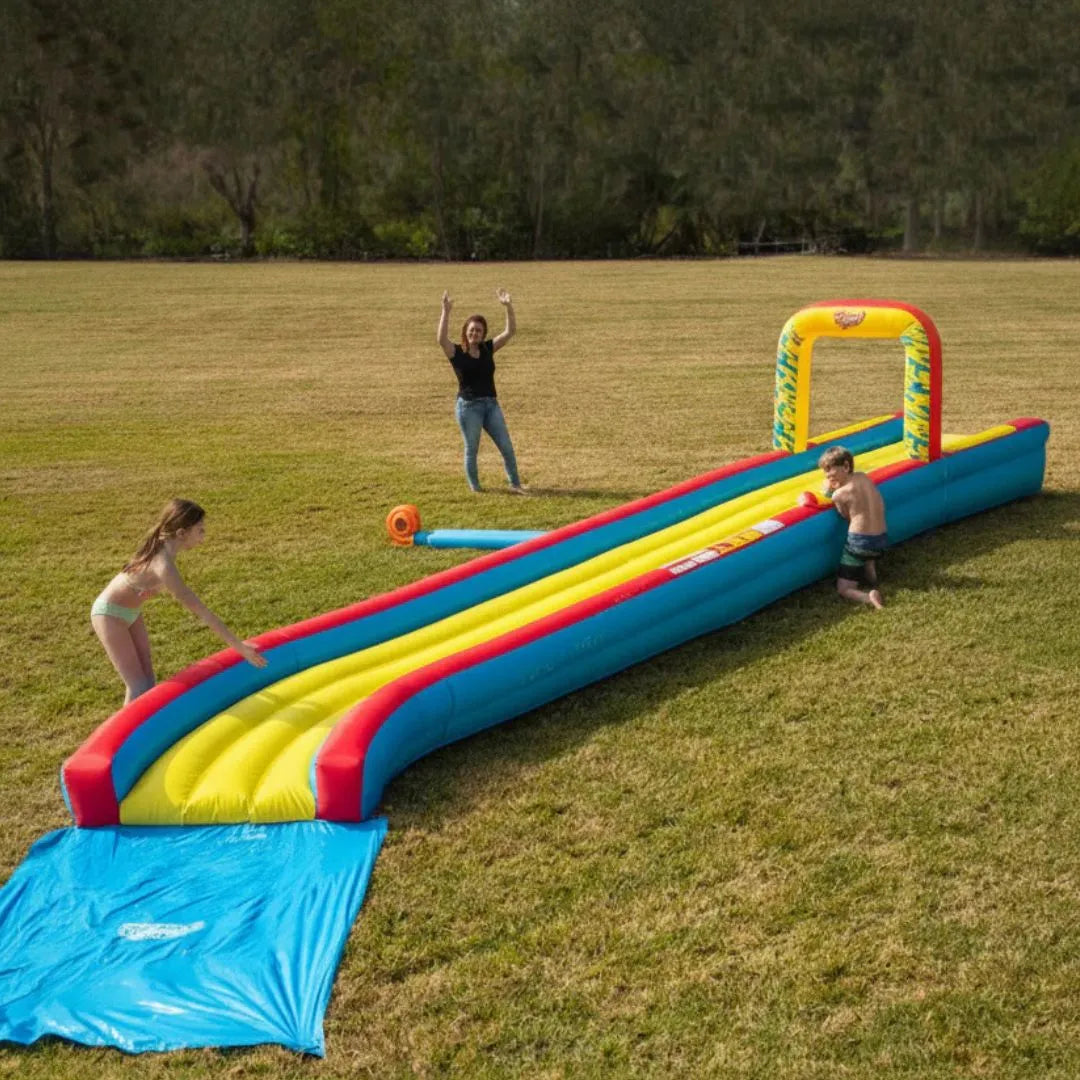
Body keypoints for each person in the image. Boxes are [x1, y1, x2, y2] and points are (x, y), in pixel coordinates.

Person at [91, 498, 267, 704]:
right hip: (109, 615)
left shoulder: (162, 552)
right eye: (200, 531)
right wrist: (239, 647)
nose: (203, 537)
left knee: (148, 681)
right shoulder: (163, 566)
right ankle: (129, 726)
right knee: (137, 685)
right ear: (182, 533)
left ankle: (147, 721)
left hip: (131, 613)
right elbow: (201, 611)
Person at [436, 288, 525, 493]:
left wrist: (508, 306)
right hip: (469, 408)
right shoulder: (456, 352)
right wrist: (445, 311)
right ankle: (476, 488)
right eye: (472, 330)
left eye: (478, 330)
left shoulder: (487, 348)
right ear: (465, 331)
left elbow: (510, 332)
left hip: (491, 406)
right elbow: (441, 339)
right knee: (472, 449)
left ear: (483, 333)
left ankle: (515, 484)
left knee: (506, 447)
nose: (474, 333)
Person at [819, 446, 887, 609]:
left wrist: (829, 492)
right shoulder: (863, 477)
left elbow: (845, 516)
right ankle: (870, 572)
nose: (828, 475)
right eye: (825, 471)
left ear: (846, 466)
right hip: (882, 540)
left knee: (844, 588)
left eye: (830, 470)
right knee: (867, 550)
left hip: (860, 543)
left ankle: (868, 598)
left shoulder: (839, 494)